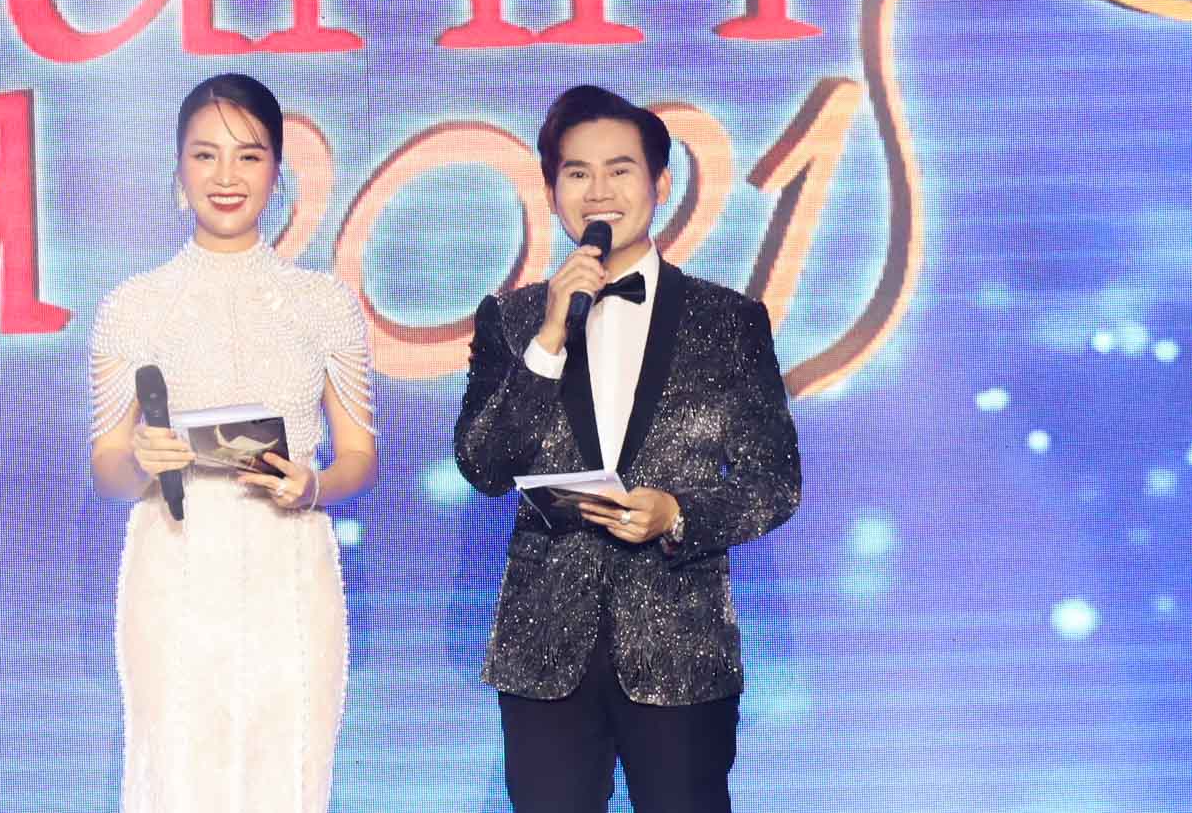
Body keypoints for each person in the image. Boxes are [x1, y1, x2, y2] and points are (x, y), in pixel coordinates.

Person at [453, 84, 800, 813]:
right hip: (544, 646)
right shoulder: (512, 319)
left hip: (681, 644)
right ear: (552, 191)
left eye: (620, 170)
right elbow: (483, 466)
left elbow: (774, 482)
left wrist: (677, 513)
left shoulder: (728, 321)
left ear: (660, 184)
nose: (599, 191)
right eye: (577, 172)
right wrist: (550, 337)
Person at [89, 73, 378, 813]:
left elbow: (359, 457)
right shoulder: (133, 306)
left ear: (277, 171)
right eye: (205, 155)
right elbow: (107, 469)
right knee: (178, 777)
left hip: (290, 568)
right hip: (175, 567)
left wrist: (313, 484)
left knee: (290, 777)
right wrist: (140, 461)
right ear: (179, 168)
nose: (226, 176)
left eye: (248, 156)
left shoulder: (324, 304)